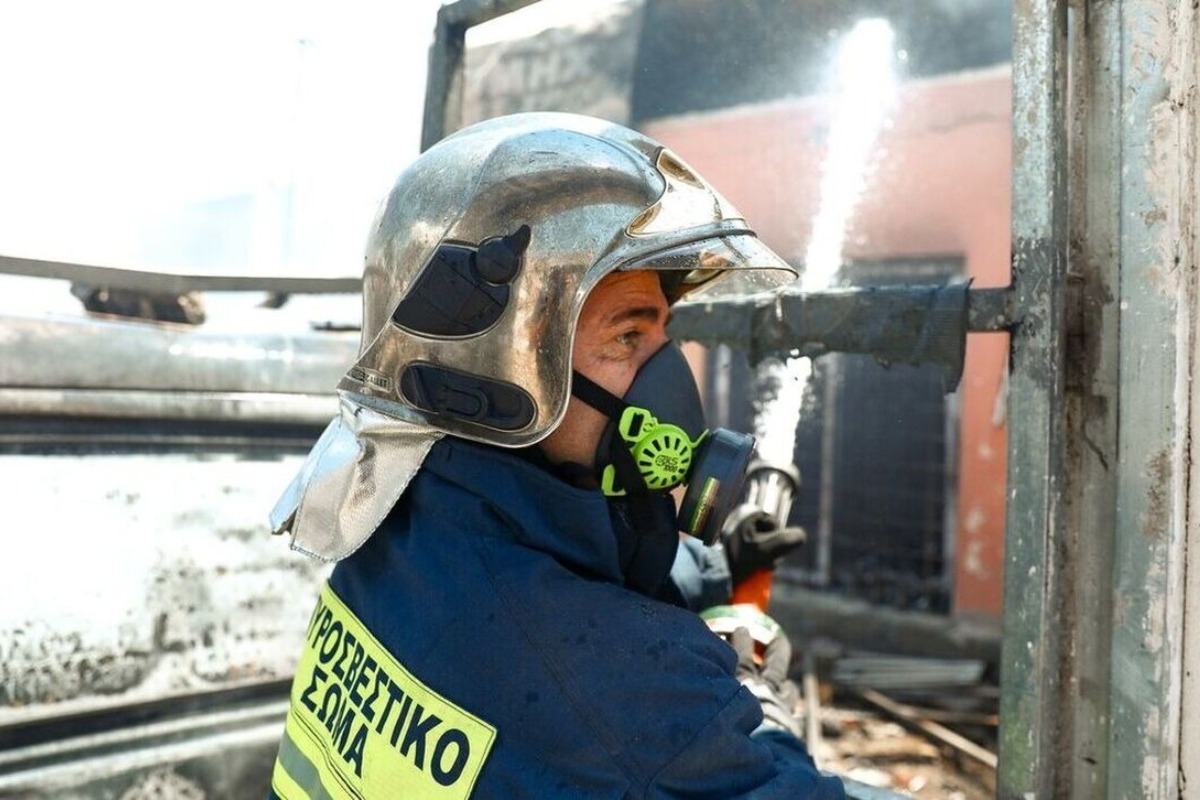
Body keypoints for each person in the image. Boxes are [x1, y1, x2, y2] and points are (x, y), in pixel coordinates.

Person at [267, 112, 844, 799]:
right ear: (504, 371)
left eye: (665, 333)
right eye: (628, 338)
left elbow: (553, 565)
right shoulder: (634, 697)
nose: (669, 375)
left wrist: (717, 567)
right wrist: (758, 700)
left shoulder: (397, 517)